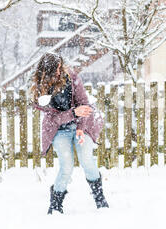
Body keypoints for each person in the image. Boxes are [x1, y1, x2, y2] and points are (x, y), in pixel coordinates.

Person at [30, 52, 109, 214]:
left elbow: (84, 105)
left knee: (87, 161)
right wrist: (73, 113)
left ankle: (100, 200)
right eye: (56, 69)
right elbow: (54, 119)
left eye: (60, 67)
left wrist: (80, 128)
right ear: (48, 71)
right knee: (66, 166)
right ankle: (56, 205)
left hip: (82, 126)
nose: (60, 72)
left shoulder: (71, 78)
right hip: (59, 130)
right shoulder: (41, 90)